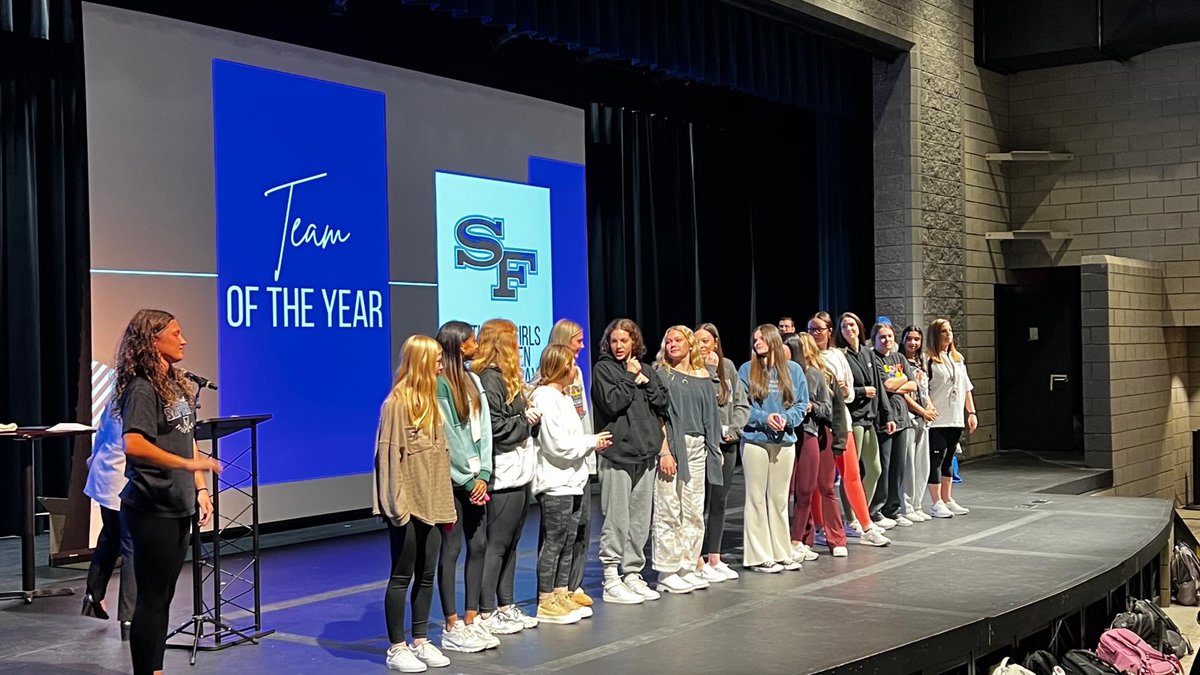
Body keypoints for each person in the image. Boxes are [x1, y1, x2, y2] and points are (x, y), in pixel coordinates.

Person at [112, 309, 220, 675]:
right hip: (151, 505)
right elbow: (134, 444)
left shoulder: (174, 383)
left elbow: (186, 439)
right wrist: (187, 467)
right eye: (176, 333)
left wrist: (201, 488)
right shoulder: (142, 388)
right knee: (152, 599)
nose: (184, 339)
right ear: (152, 341)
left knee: (165, 596)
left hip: (179, 502)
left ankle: (155, 669)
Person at [374, 335, 458, 672]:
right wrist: (396, 508)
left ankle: (421, 639)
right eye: (436, 359)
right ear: (422, 361)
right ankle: (397, 646)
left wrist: (445, 505)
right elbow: (388, 458)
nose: (441, 364)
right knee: (401, 575)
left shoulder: (432, 403)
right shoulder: (396, 404)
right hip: (406, 506)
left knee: (426, 574)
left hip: (434, 503)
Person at [530, 345, 613, 623]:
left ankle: (561, 591)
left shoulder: (564, 397)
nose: (576, 365)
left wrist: (591, 443)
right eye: (571, 361)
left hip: (573, 481)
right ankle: (545, 599)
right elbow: (556, 446)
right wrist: (591, 441)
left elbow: (573, 437)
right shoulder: (544, 397)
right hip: (555, 483)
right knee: (554, 541)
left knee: (569, 540)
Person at [592, 318, 671, 604]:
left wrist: (645, 380)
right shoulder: (604, 369)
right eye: (614, 341)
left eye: (624, 341)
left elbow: (662, 403)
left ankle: (632, 573)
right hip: (617, 455)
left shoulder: (646, 369)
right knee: (617, 518)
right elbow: (612, 403)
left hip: (645, 453)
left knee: (639, 519)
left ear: (634, 342)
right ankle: (611, 577)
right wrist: (628, 376)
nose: (618, 346)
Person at [473, 320, 541, 636]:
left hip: (519, 472)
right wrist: (526, 422)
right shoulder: (490, 379)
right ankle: (487, 612)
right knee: (497, 544)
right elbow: (496, 429)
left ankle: (506, 605)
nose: (518, 344)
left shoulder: (507, 379)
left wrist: (528, 419)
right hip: (502, 473)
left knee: (512, 543)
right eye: (513, 339)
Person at [434, 321, 495, 653]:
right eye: (472, 341)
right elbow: (451, 437)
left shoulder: (473, 380)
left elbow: (483, 427)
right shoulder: (440, 384)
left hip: (477, 477)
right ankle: (451, 623)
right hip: (453, 481)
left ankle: (472, 619)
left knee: (480, 544)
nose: (476, 346)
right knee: (452, 549)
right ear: (459, 346)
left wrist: (485, 470)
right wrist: (469, 479)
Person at [807, 312, 889, 548]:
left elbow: (850, 393)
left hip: (841, 421)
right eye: (811, 329)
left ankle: (866, 525)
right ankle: (821, 527)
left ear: (829, 332)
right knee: (819, 481)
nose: (815, 334)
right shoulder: (806, 358)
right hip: (817, 425)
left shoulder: (836, 356)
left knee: (852, 473)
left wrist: (843, 390)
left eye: (819, 329)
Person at [652, 326, 721, 593]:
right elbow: (658, 417)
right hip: (673, 445)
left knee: (693, 509)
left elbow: (711, 417)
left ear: (689, 344)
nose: (672, 345)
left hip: (698, 445)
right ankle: (667, 571)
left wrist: (713, 451)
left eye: (678, 340)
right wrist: (665, 451)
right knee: (669, 507)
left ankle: (687, 564)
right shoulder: (662, 374)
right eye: (668, 341)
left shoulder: (703, 374)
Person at [738, 324, 807, 573]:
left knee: (778, 500)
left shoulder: (794, 370)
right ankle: (758, 556)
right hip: (755, 439)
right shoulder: (747, 370)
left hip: (784, 441)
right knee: (756, 498)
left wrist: (786, 419)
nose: (757, 342)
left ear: (773, 340)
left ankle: (781, 551)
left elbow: (802, 404)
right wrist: (764, 418)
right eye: (754, 339)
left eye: (761, 338)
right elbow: (742, 406)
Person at [544, 319, 595, 610]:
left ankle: (572, 585)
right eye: (578, 341)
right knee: (558, 532)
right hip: (563, 465)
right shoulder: (553, 375)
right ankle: (553, 590)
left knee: (581, 525)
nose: (582, 346)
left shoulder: (575, 372)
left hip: (583, 456)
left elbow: (581, 413)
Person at [694, 322, 749, 581]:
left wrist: (735, 429)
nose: (701, 345)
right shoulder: (692, 368)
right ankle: (697, 558)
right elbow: (699, 403)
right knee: (699, 503)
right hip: (704, 445)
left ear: (715, 342)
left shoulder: (727, 366)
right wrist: (706, 368)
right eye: (697, 341)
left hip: (727, 444)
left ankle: (714, 556)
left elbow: (741, 402)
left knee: (719, 501)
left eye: (706, 341)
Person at [789, 333, 849, 558]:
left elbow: (836, 410)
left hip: (822, 433)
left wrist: (840, 441)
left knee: (826, 487)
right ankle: (804, 538)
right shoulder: (789, 376)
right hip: (796, 434)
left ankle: (836, 538)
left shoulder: (822, 375)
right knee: (802, 489)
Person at [81, 404, 137, 641]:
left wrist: (94, 461)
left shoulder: (117, 390)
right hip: (123, 476)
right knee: (131, 546)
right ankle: (129, 616)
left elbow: (102, 433)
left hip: (105, 472)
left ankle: (94, 594)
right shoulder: (141, 393)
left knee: (111, 536)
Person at [837, 312, 895, 536]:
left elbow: (879, 388)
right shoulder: (842, 356)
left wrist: (887, 415)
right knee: (850, 472)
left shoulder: (867, 353)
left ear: (859, 327)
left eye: (852, 324)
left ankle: (862, 512)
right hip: (854, 417)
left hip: (870, 417)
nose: (849, 329)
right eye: (844, 326)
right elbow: (843, 388)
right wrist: (862, 391)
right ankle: (851, 519)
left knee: (875, 469)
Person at [925, 319, 976, 518]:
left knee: (949, 458)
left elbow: (966, 388)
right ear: (935, 335)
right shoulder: (928, 359)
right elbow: (923, 388)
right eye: (943, 331)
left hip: (955, 418)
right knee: (936, 459)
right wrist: (928, 406)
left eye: (950, 331)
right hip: (937, 418)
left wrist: (971, 413)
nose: (948, 335)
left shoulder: (957, 358)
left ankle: (947, 498)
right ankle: (936, 502)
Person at [870, 322, 916, 528]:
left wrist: (901, 380)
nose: (887, 340)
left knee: (899, 466)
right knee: (884, 466)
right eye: (882, 337)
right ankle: (877, 509)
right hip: (883, 420)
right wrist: (901, 380)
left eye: (889, 336)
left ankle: (894, 509)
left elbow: (913, 383)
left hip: (902, 418)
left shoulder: (899, 358)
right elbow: (885, 385)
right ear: (875, 340)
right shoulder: (874, 360)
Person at [900, 326, 935, 522]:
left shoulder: (921, 362)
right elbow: (903, 393)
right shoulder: (900, 362)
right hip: (909, 417)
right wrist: (921, 410)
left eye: (917, 339)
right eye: (909, 339)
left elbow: (924, 390)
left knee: (923, 464)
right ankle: (906, 505)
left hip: (923, 418)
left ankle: (917, 503)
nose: (913, 343)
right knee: (909, 464)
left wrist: (929, 406)